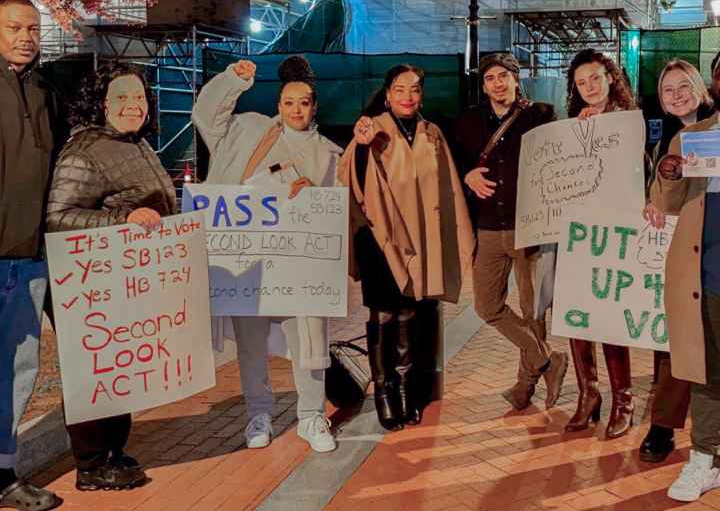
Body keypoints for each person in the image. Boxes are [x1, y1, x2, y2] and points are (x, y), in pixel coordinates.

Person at [192, 55, 340, 453]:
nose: (296, 110)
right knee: (251, 344)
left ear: (314, 107)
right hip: (247, 264)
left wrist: (318, 196)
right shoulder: (248, 129)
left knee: (309, 343)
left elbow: (337, 213)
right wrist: (231, 81)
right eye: (289, 102)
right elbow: (206, 116)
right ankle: (258, 413)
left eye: (304, 103)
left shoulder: (330, 154)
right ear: (278, 105)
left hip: (298, 267)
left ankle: (311, 416)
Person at [46, 62, 176, 491]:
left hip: (123, 280)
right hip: (92, 282)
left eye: (139, 97)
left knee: (119, 365)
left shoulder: (135, 144)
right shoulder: (85, 151)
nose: (132, 105)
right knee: (93, 367)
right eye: (121, 97)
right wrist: (124, 219)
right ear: (101, 104)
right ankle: (90, 462)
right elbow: (59, 216)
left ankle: (113, 450)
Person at [339, 64, 474, 430]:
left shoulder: (432, 135)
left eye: (415, 89)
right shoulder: (372, 129)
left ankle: (404, 389)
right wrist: (362, 144)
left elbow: (447, 189)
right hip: (379, 239)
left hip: (420, 238)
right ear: (387, 93)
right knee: (384, 314)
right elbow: (349, 176)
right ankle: (383, 392)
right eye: (400, 89)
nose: (408, 96)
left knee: (410, 312)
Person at [454, 52, 568, 412]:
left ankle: (524, 386)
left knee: (533, 310)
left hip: (531, 227)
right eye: (490, 78)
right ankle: (547, 359)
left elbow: (566, 157)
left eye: (504, 76)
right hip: (488, 228)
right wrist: (466, 175)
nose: (497, 83)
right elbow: (453, 161)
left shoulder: (542, 115)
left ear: (516, 79)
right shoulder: (469, 120)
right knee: (487, 305)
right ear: (483, 84)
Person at [0, 0, 62, 510]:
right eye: (14, 27)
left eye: (33, 29)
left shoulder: (45, 91)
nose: (26, 37)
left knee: (21, 369)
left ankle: (3, 470)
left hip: (32, 259)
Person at [649, 53, 720, 501]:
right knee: (707, 372)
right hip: (708, 273)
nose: (676, 96)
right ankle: (704, 457)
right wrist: (669, 174)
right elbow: (668, 200)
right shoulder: (695, 138)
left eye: (683, 87)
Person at [564, 48, 638, 438]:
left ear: (610, 77)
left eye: (595, 78)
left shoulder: (628, 121)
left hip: (615, 234)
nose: (589, 87)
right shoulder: (571, 125)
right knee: (577, 317)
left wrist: (600, 134)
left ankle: (623, 400)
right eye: (581, 82)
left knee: (610, 322)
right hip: (578, 234)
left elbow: (630, 173)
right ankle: (588, 395)